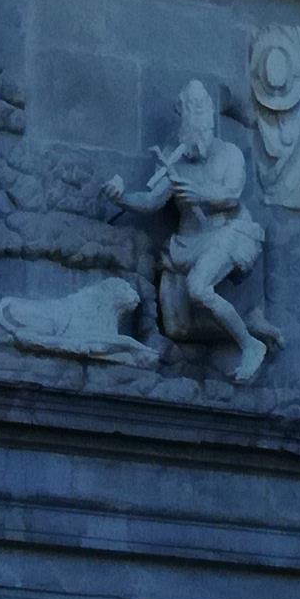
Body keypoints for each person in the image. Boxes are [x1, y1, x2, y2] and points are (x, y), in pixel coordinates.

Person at [111, 79, 273, 381]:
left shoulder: (231, 154)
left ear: (210, 115)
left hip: (228, 231)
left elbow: (231, 196)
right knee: (176, 328)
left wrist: (200, 195)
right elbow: (151, 201)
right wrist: (121, 198)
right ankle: (245, 325)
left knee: (198, 288)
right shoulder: (176, 156)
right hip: (188, 241)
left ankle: (250, 346)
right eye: (189, 111)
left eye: (200, 110)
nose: (195, 118)